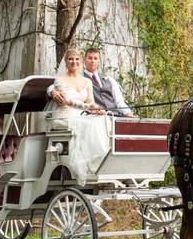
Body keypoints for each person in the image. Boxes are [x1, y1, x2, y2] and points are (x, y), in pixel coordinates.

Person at [50, 49, 110, 177]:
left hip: (81, 115)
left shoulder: (87, 81)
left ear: (81, 61)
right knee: (90, 125)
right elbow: (66, 101)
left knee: (104, 120)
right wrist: (88, 106)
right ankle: (91, 165)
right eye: (70, 59)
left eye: (77, 59)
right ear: (65, 62)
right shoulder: (60, 80)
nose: (74, 62)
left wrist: (97, 109)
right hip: (65, 114)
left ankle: (103, 160)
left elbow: (91, 101)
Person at [52, 48, 134, 117]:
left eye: (95, 58)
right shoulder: (79, 77)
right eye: (90, 58)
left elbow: (119, 101)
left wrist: (128, 113)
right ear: (84, 61)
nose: (93, 61)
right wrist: (52, 91)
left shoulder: (109, 80)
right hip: (90, 115)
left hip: (115, 115)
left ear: (99, 61)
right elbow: (57, 87)